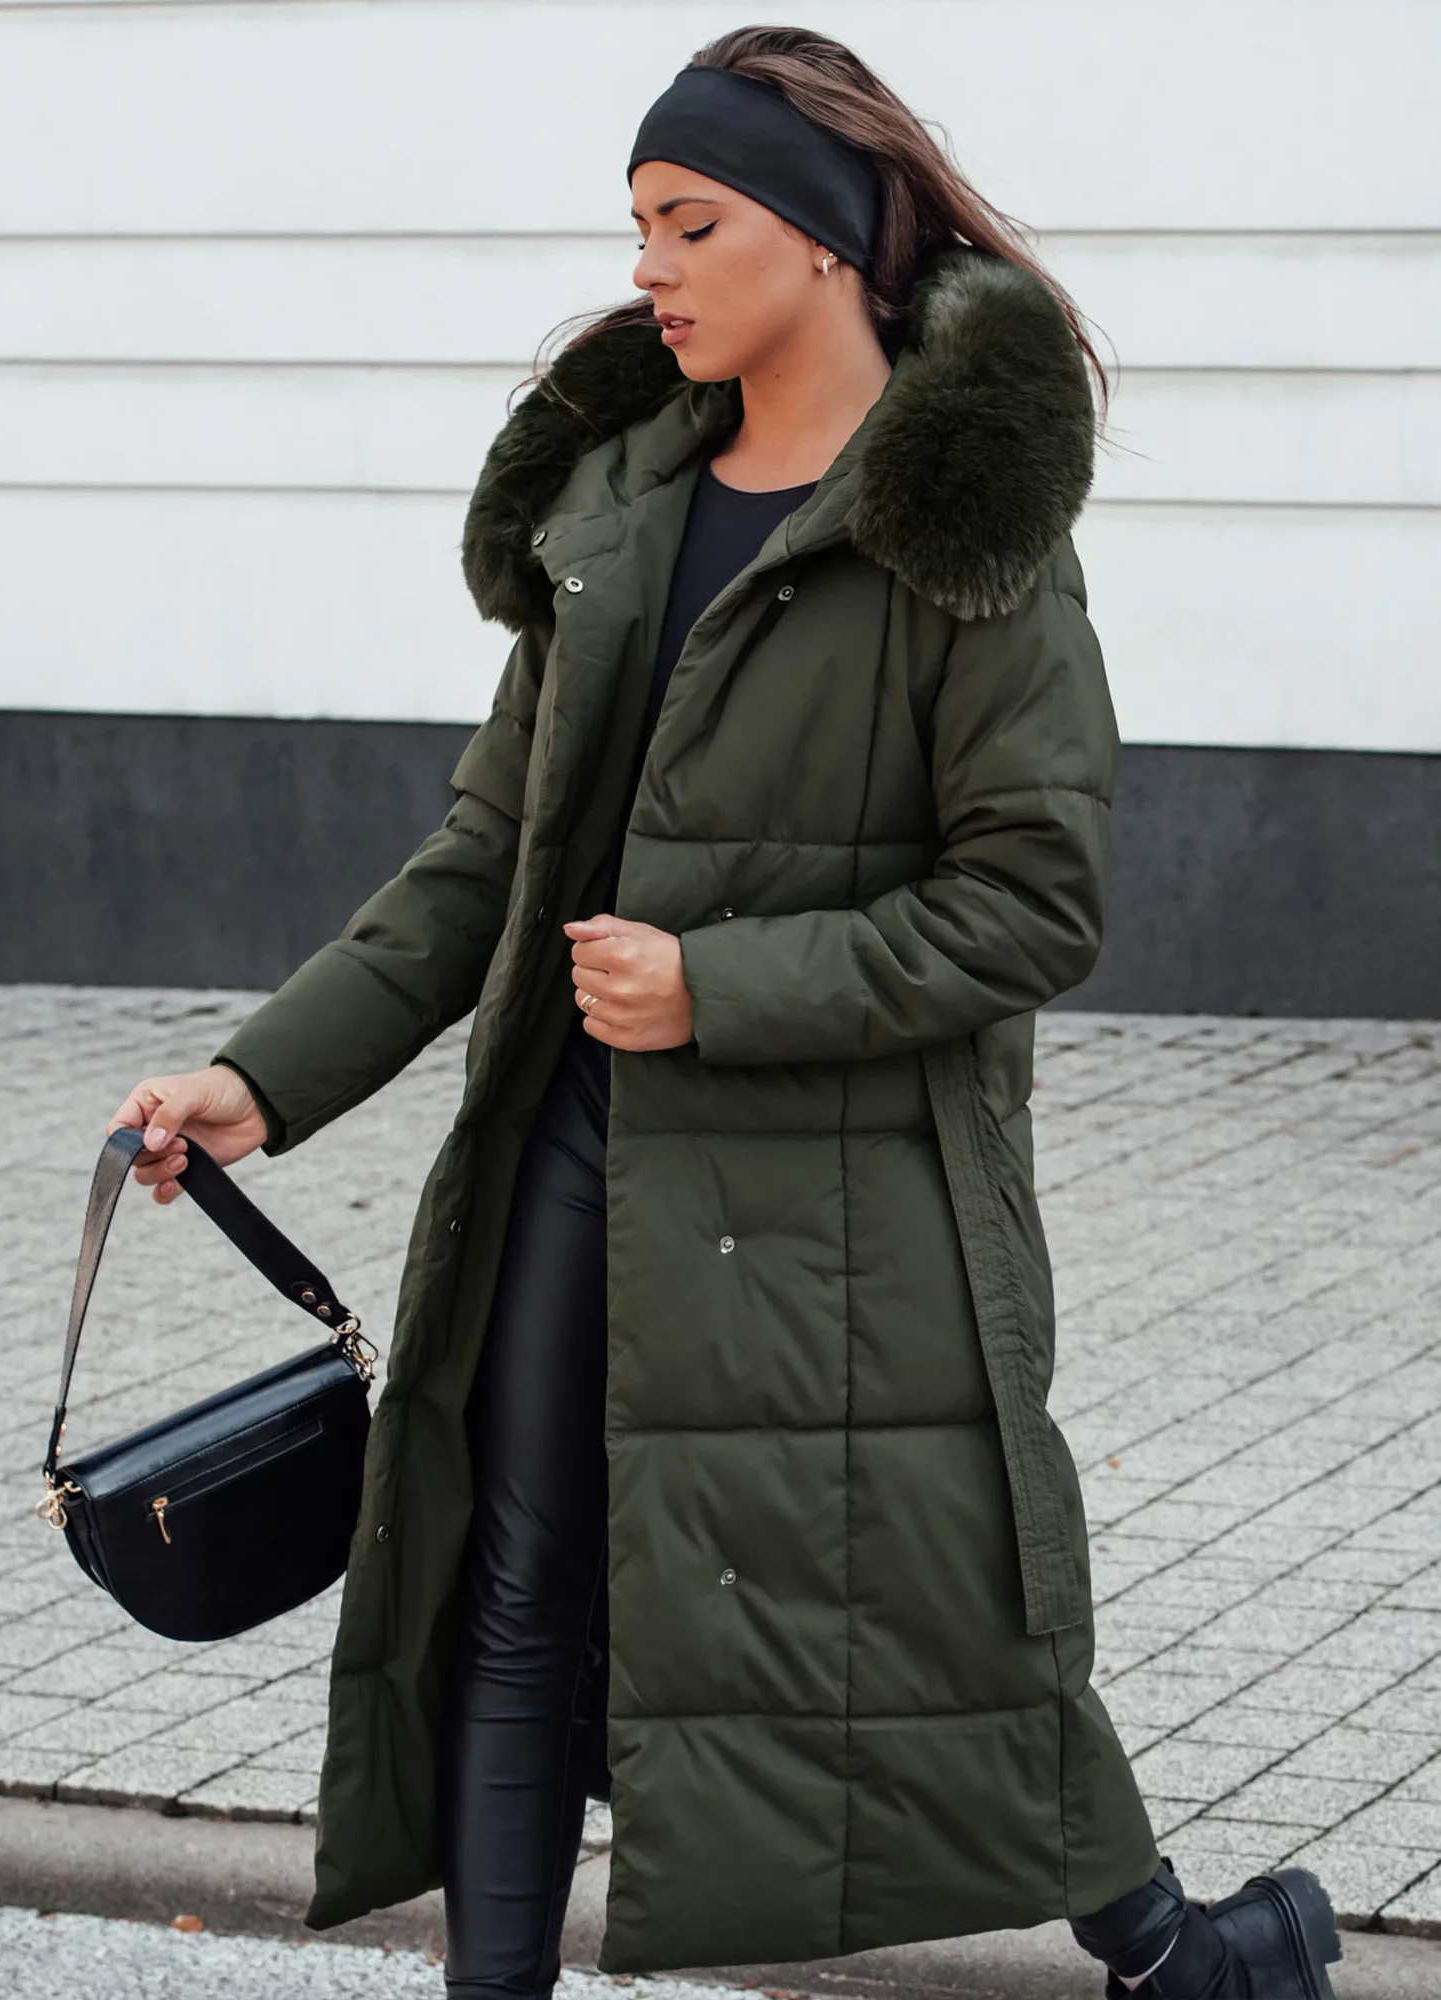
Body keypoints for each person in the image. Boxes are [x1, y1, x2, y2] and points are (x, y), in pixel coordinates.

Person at [107, 27, 1342, 2000]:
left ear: (826, 236)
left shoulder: (964, 531)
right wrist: (265, 1077)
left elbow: (1034, 901)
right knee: (517, 1587)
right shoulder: (618, 504)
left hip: (843, 1197)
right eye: (640, 228)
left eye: (692, 223)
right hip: (574, 1152)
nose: (650, 269)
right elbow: (485, 857)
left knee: (938, 1618)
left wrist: (720, 986)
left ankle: (1180, 1954)